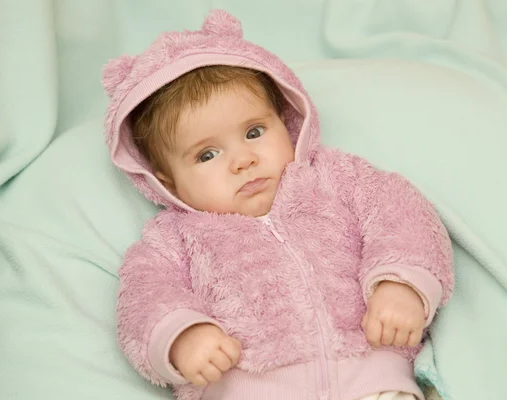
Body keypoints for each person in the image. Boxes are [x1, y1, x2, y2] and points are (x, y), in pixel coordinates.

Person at [101, 10, 453, 400]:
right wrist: (180, 336)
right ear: (166, 181)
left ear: (284, 122)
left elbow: (402, 216)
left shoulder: (336, 179)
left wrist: (400, 284)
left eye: (254, 132)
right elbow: (143, 300)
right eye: (207, 155)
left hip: (373, 378)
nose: (243, 159)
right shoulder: (172, 240)